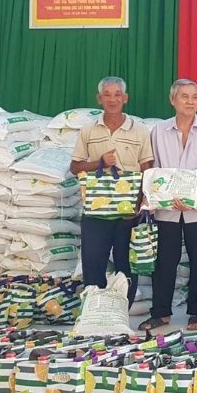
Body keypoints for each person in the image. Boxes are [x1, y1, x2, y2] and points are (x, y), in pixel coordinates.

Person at [139, 79, 197, 331]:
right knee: (165, 259)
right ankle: (160, 312)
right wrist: (165, 196)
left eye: (194, 97)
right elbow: (154, 168)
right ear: (172, 100)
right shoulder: (158, 131)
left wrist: (191, 195)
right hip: (168, 206)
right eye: (184, 96)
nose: (190, 101)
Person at [70, 76, 153, 307]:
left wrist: (140, 204)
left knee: (127, 264)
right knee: (93, 262)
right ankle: (95, 312)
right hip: (96, 210)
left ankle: (122, 311)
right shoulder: (88, 130)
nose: (112, 99)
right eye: (107, 94)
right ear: (99, 99)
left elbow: (147, 168)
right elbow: (75, 167)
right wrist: (99, 163)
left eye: (117, 94)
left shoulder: (139, 130)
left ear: (125, 98)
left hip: (128, 211)